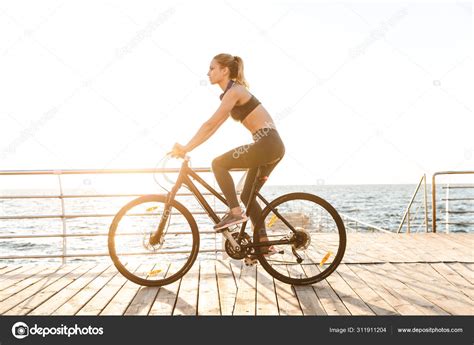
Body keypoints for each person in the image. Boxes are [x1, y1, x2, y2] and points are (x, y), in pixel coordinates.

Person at [171, 53, 285, 250]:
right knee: (248, 193)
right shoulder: (232, 93)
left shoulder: (236, 91)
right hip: (272, 145)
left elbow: (210, 124)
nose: (208, 73)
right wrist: (189, 147)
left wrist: (186, 147)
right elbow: (213, 127)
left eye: (212, 68)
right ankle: (264, 244)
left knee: (218, 164)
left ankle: (235, 213)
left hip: (267, 143)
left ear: (225, 70)